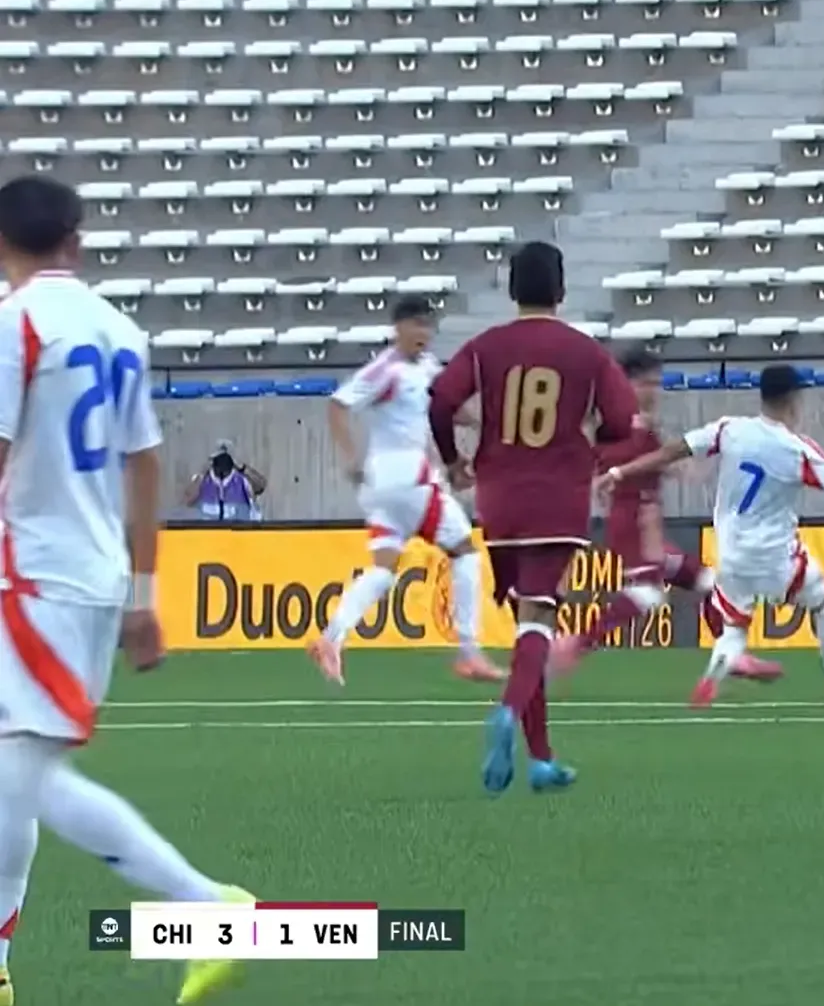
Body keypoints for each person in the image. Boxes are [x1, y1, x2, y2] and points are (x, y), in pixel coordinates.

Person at [0, 175, 254, 1006]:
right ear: (75, 240)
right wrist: (146, 591)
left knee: (27, 779)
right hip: (96, 574)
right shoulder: (122, 330)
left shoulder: (14, 325)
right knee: (15, 768)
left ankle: (209, 906)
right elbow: (145, 466)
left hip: (32, 574)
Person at [427, 241, 637, 795]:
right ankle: (506, 713)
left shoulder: (485, 347)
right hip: (558, 496)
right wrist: (591, 440)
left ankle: (541, 758)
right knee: (539, 622)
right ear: (561, 290)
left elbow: (440, 401)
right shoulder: (587, 353)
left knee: (528, 624)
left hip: (499, 498)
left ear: (513, 289)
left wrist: (453, 461)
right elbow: (620, 421)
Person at [593, 364, 824, 708]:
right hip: (777, 557)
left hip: (731, 556)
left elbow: (672, 451)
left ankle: (711, 677)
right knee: (822, 605)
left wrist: (618, 471)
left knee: (734, 630)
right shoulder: (798, 449)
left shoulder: (729, 429)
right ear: (793, 400)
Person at [550, 347, 780, 682]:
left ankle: (731, 656)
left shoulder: (642, 422)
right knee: (647, 593)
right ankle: (578, 643)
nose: (653, 391)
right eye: (646, 383)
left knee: (708, 582)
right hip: (632, 521)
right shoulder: (612, 419)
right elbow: (606, 457)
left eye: (657, 383)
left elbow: (651, 461)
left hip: (647, 518)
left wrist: (684, 470)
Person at [309, 294, 505, 686]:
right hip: (406, 477)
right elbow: (338, 405)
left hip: (384, 486)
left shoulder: (428, 367)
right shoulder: (387, 369)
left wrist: (479, 424)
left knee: (383, 569)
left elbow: (445, 406)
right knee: (464, 551)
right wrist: (350, 457)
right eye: (415, 324)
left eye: (427, 325)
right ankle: (469, 652)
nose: (423, 333)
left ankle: (331, 637)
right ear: (397, 328)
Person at [182, 441, 265, 522]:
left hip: (239, 533)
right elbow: (187, 500)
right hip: (207, 533)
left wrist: (242, 468)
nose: (222, 463)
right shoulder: (202, 479)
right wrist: (204, 471)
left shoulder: (242, 479)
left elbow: (261, 486)